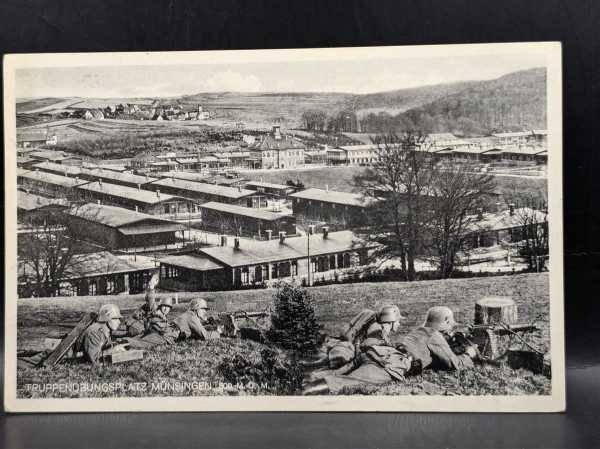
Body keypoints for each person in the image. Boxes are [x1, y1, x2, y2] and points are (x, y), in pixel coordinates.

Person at [303, 305, 413, 395]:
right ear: (391, 321)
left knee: (336, 374)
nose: (399, 324)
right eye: (398, 321)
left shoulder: (379, 329)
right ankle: (303, 392)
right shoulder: (377, 330)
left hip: (362, 357)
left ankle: (307, 379)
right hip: (369, 358)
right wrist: (381, 357)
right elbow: (369, 344)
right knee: (349, 381)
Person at [17, 304, 123, 368]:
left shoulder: (104, 330)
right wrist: (112, 351)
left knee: (29, 356)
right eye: (116, 318)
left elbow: (103, 347)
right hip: (59, 356)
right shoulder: (95, 332)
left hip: (62, 353)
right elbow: (93, 359)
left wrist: (115, 347)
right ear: (107, 319)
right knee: (25, 363)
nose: (119, 322)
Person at [400, 306, 478, 372]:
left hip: (400, 361)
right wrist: (468, 354)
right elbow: (455, 365)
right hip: (403, 368)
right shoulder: (433, 335)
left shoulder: (418, 331)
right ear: (446, 320)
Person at [121, 272, 159, 337]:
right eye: (149, 280)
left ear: (156, 281)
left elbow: (151, 305)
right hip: (145, 314)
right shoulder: (150, 291)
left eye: (151, 280)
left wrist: (151, 289)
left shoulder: (152, 292)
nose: (149, 282)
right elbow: (148, 304)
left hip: (148, 316)